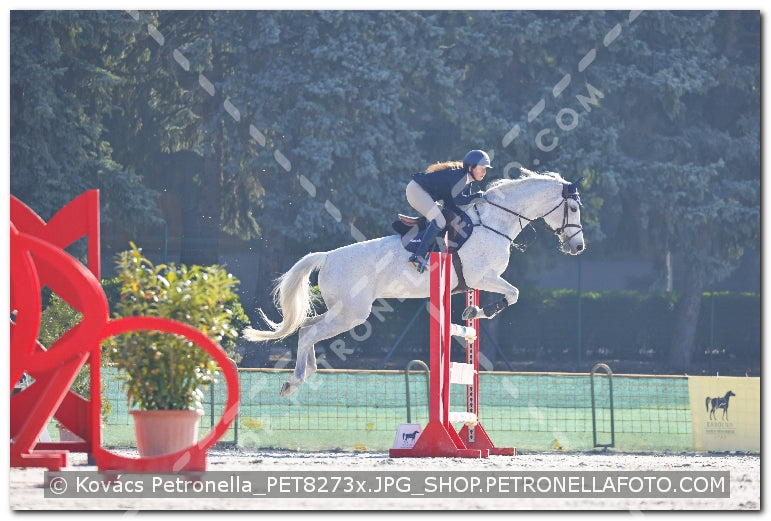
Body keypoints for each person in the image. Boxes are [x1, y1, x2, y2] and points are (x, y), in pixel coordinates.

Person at [405, 149, 492, 272]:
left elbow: (453, 205)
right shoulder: (459, 176)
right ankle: (417, 257)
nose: (484, 171)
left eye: (486, 168)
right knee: (440, 220)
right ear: (470, 167)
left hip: (424, 193)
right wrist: (477, 196)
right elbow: (459, 200)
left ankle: (434, 255)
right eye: (481, 168)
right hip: (417, 190)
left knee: (446, 218)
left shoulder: (467, 182)